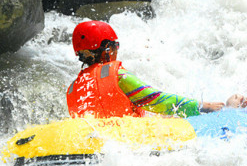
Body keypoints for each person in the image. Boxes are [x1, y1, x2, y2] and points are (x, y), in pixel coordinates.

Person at [67, 20, 224, 118]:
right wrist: (203, 106)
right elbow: (157, 101)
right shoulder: (118, 76)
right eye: (116, 46)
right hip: (127, 142)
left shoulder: (74, 88)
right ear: (108, 48)